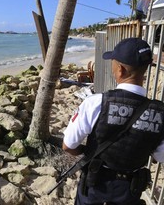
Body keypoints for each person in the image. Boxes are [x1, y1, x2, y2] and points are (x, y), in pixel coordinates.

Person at [62, 38, 164, 205]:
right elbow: (160, 156)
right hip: (129, 192)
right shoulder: (160, 113)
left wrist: (89, 152)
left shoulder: (95, 103)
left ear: (121, 70)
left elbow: (68, 145)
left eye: (113, 64)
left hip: (94, 187)